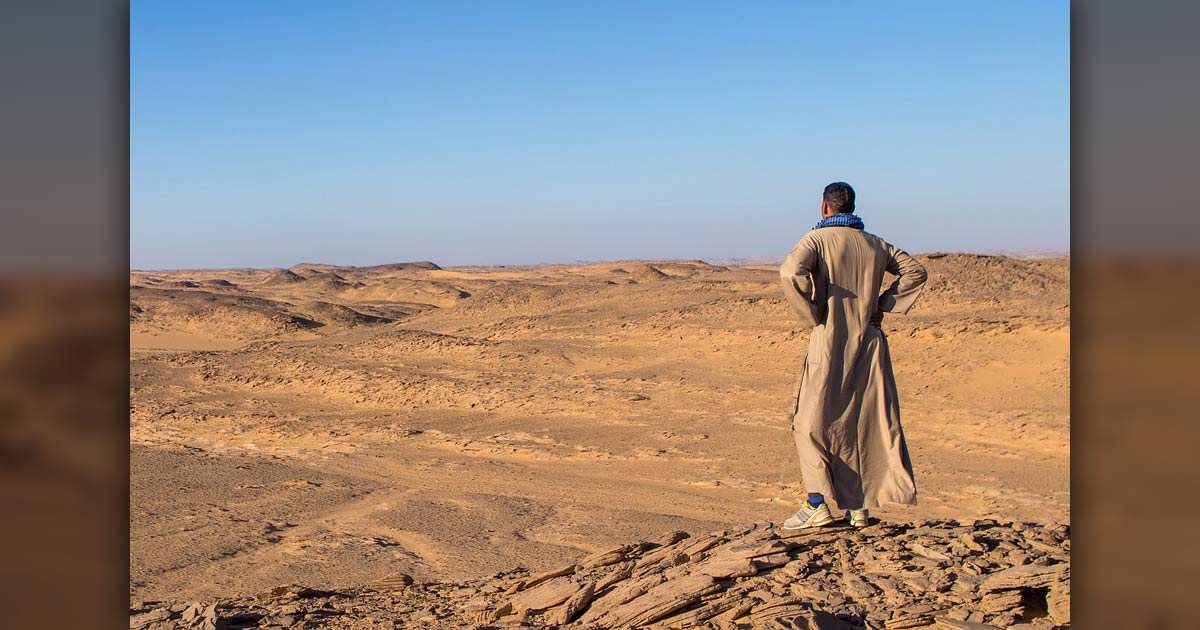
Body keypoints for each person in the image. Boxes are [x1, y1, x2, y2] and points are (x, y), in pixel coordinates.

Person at [778, 182, 928, 530]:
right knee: (862, 422)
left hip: (830, 340)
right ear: (852, 206)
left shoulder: (816, 240)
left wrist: (812, 312)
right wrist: (882, 305)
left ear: (824, 207)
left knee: (808, 422)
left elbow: (789, 271)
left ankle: (816, 503)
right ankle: (857, 508)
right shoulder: (877, 244)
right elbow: (916, 271)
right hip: (869, 342)